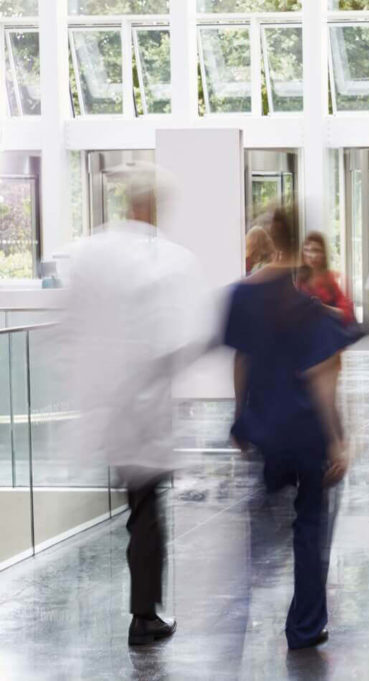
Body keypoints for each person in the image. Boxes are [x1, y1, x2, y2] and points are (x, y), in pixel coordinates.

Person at [63, 166, 206, 646]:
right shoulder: (167, 260)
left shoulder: (91, 252)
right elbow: (179, 340)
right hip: (142, 412)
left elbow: (74, 327)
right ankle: (144, 615)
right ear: (153, 207)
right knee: (146, 513)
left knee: (137, 508)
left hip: (106, 408)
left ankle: (143, 610)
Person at [224, 206, 357, 650]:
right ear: (299, 244)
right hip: (305, 430)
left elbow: (241, 360)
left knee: (264, 521)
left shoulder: (242, 295)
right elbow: (322, 379)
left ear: (268, 239)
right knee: (310, 524)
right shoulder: (307, 309)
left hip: (265, 424)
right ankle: (304, 626)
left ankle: (234, 612)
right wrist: (338, 440)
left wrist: (240, 416)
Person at [297, 230, 355, 323]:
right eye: (307, 250)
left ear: (324, 254)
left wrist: (323, 307)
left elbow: (346, 313)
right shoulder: (298, 280)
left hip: (326, 332)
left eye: (316, 250)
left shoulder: (332, 279)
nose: (312, 255)